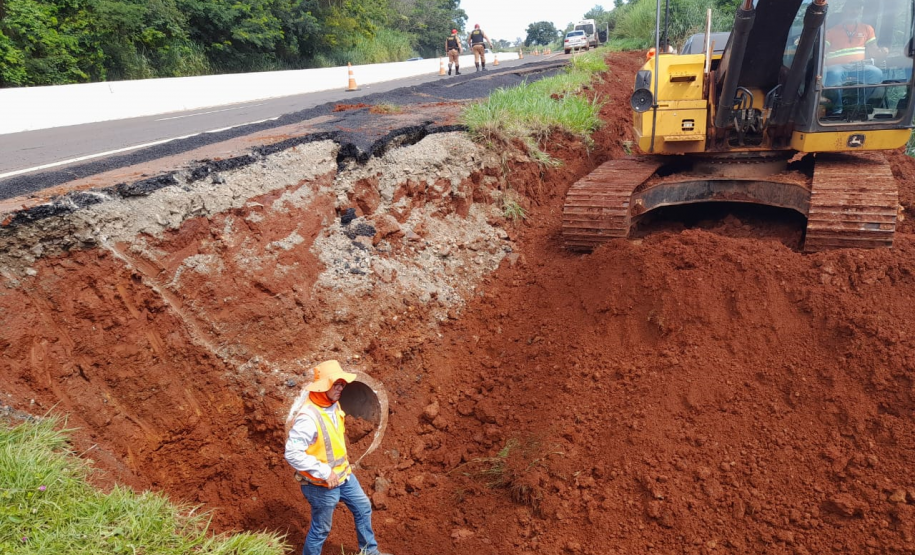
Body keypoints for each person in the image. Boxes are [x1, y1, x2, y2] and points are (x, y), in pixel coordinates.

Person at [285, 360, 391, 555]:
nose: (341, 388)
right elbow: (292, 453)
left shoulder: (332, 404)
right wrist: (325, 472)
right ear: (324, 385)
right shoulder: (308, 418)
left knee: (363, 507)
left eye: (342, 384)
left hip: (344, 476)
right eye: (336, 384)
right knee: (320, 529)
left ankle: (369, 552)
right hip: (321, 484)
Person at [823, 0, 889, 116]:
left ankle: (858, 106)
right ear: (844, 10)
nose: (854, 11)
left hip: (859, 66)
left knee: (876, 73)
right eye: (851, 8)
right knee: (834, 74)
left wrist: (882, 52)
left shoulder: (867, 29)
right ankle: (837, 110)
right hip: (837, 67)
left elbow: (874, 51)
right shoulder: (831, 31)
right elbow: (822, 52)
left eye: (857, 8)